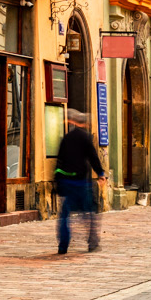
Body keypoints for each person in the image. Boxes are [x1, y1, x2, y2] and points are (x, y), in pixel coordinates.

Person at [53, 108, 105, 255]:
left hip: (66, 182)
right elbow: (93, 156)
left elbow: (60, 159)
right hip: (81, 182)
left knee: (65, 215)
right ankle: (92, 242)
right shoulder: (85, 137)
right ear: (85, 123)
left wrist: (58, 180)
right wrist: (100, 173)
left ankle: (63, 245)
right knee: (89, 213)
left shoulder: (67, 138)